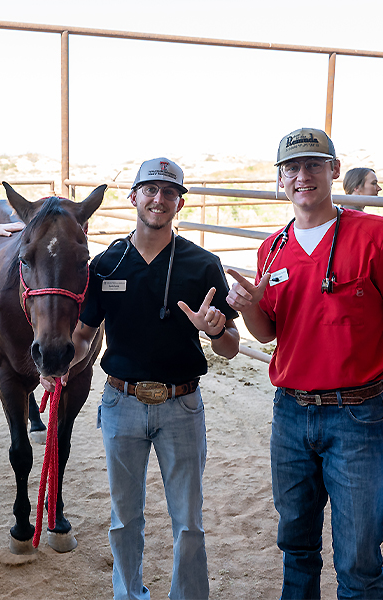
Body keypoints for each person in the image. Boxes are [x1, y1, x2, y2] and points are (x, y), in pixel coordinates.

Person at [41, 157, 239, 600]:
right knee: (124, 518)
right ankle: (128, 594)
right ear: (134, 197)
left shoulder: (203, 264)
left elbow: (229, 345)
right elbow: (84, 334)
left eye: (169, 192)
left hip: (182, 406)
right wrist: (59, 368)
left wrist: (217, 330)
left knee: (188, 521)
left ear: (179, 203)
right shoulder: (108, 264)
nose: (158, 199)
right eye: (150, 190)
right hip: (122, 404)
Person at [226, 128, 383, 599]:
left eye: (314, 164)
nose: (302, 176)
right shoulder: (272, 248)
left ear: (335, 170)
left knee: (359, 558)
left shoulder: (373, 235)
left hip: (359, 414)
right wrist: (250, 305)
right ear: (280, 180)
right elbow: (268, 333)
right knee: (296, 544)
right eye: (291, 168)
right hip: (291, 413)